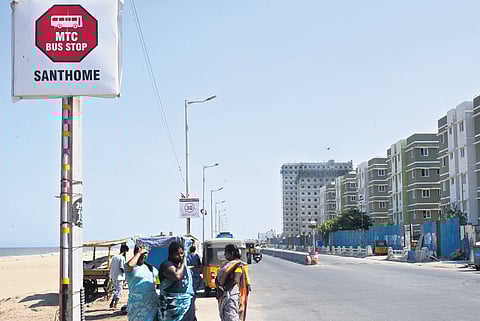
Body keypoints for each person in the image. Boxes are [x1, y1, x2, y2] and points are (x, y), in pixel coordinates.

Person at [158, 240, 197, 321]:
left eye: (182, 253)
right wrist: (183, 263)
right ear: (171, 254)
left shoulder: (185, 268)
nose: (180, 256)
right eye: (177, 254)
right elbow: (177, 276)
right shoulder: (166, 265)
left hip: (187, 305)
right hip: (171, 308)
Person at [216, 244, 250, 321]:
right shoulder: (226, 264)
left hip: (231, 295)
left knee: (231, 316)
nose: (224, 255)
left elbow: (235, 280)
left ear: (231, 253)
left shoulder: (238, 265)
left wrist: (224, 288)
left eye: (226, 253)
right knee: (225, 316)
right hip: (225, 294)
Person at [126, 245, 158, 321]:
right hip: (136, 306)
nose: (143, 255)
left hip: (151, 305)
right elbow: (129, 265)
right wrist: (139, 253)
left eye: (145, 253)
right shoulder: (131, 267)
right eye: (141, 253)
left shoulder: (150, 268)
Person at [109, 243, 129, 309]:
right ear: (125, 251)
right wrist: (126, 274)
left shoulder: (114, 257)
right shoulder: (122, 258)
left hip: (113, 276)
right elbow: (121, 268)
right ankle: (115, 305)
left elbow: (111, 266)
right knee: (119, 291)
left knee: (117, 290)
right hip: (119, 276)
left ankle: (112, 303)